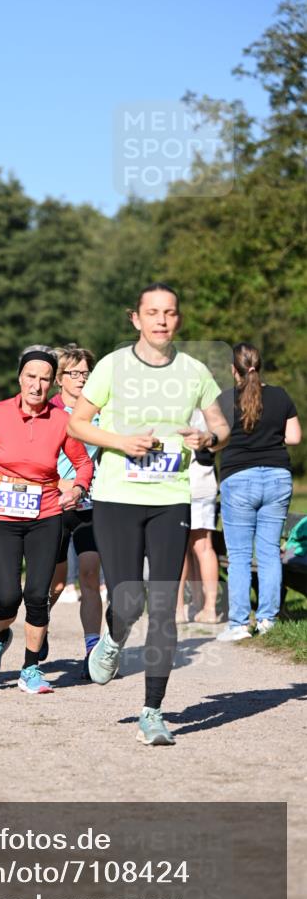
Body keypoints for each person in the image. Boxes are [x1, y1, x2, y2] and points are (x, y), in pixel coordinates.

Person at [68, 283, 230, 745]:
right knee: (129, 600)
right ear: (135, 319)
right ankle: (113, 639)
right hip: (118, 497)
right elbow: (77, 423)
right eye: (152, 312)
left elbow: (219, 426)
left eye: (170, 313)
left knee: (161, 605)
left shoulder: (195, 370)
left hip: (170, 498)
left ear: (178, 319)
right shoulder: (112, 367)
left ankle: (152, 711)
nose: (162, 320)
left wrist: (208, 440)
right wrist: (121, 442)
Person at [0, 345, 94, 695]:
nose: (37, 386)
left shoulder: (62, 421)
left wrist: (79, 488)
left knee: (38, 595)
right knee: (8, 598)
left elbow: (83, 463)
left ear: (53, 384)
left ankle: (31, 668)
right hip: (1, 515)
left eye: (45, 380)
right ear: (20, 377)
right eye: (31, 377)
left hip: (46, 513)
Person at [216, 343, 302, 641]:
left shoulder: (225, 399)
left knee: (238, 554)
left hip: (238, 478)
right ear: (258, 366)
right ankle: (268, 621)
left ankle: (239, 624)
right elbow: (293, 437)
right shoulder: (280, 396)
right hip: (278, 477)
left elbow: (215, 440)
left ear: (233, 369)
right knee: (268, 553)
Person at [44, 344, 103, 678]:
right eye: (75, 373)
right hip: (53, 502)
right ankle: (40, 625)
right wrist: (59, 483)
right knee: (55, 584)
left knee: (91, 573)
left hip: (90, 504)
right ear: (59, 378)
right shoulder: (47, 410)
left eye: (86, 372)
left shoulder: (100, 410)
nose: (82, 378)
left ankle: (93, 650)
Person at [176, 410, 221, 624]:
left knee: (178, 547)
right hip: (204, 477)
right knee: (204, 546)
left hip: (180, 477)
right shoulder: (210, 405)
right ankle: (208, 608)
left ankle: (177, 610)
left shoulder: (173, 399)